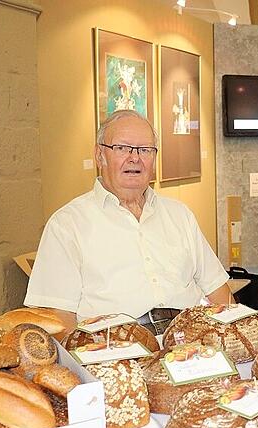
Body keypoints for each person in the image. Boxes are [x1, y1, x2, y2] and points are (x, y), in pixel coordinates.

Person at [24, 110, 232, 335]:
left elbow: (218, 291)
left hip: (189, 342)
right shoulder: (67, 225)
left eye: (145, 150)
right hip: (114, 349)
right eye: (122, 148)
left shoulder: (180, 215)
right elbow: (58, 319)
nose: (135, 158)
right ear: (99, 155)